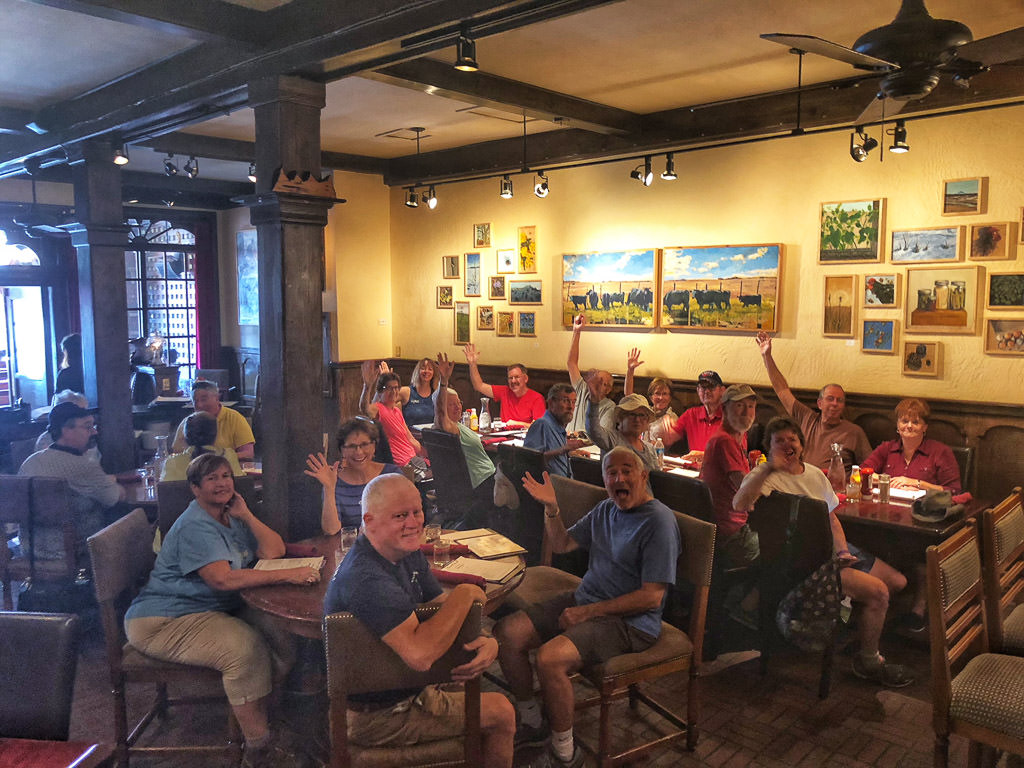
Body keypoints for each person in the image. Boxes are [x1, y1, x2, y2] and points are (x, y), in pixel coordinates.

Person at [124, 454, 321, 768]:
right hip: (164, 620)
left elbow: (274, 550)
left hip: (209, 610)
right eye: (212, 478)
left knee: (281, 634)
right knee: (245, 649)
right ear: (195, 488)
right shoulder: (195, 525)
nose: (222, 483)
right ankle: (260, 748)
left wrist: (247, 515)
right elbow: (222, 578)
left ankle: (264, 717)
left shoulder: (229, 515)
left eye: (226, 476)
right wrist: (287, 574)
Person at [493, 447, 680, 767]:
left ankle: (565, 754)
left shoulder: (659, 522)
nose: (619, 478)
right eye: (611, 472)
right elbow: (563, 543)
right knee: (507, 633)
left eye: (627, 470)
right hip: (588, 599)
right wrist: (551, 508)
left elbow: (652, 597)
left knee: (550, 659)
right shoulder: (607, 509)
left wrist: (588, 612)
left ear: (643, 476)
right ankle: (533, 721)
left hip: (630, 623)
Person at [322, 473, 514, 767]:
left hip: (407, 688)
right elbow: (420, 655)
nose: (413, 522)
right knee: (502, 711)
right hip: (377, 715)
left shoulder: (403, 550)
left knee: (473, 681)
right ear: (370, 522)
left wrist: (488, 639)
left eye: (417, 511)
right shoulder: (366, 578)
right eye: (400, 515)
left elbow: (440, 607)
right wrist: (464, 594)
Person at [733, 416, 913, 688]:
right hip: (800, 563)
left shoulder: (816, 475)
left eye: (792, 439)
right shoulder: (763, 477)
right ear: (769, 447)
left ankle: (842, 628)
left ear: (802, 445)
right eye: (778, 441)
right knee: (878, 592)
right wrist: (769, 468)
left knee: (898, 582)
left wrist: (842, 552)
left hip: (831, 553)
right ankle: (868, 660)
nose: (786, 445)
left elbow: (832, 520)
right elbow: (739, 503)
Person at [19, 401, 126, 560]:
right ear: (66, 430)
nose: (94, 432)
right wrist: (110, 483)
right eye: (87, 426)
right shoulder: (83, 466)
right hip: (74, 552)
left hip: (31, 551)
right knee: (130, 520)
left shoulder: (30, 461)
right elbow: (116, 497)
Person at [756, 331, 871, 471]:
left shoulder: (854, 432)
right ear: (819, 403)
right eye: (830, 399)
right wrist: (766, 356)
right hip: (801, 482)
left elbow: (869, 468)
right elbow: (782, 390)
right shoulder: (807, 417)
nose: (835, 403)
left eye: (839, 400)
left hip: (834, 488)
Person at [304, 417, 403, 533]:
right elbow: (331, 530)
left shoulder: (391, 475)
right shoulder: (334, 481)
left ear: (374, 446)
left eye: (364, 444)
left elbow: (406, 516)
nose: (359, 452)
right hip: (352, 547)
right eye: (351, 446)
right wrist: (329, 488)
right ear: (342, 450)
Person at [699, 384, 757, 567]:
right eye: (740, 406)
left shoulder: (732, 439)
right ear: (724, 408)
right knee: (783, 552)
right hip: (731, 534)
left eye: (751, 406)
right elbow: (747, 490)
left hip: (723, 528)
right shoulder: (724, 441)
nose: (747, 412)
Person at [433, 353, 497, 516]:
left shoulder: (458, 425)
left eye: (458, 403)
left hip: (486, 478)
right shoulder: (448, 428)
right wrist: (443, 381)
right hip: (483, 483)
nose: (458, 407)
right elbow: (440, 414)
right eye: (451, 404)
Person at [863, 398, 962, 493]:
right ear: (898, 425)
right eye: (905, 421)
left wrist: (917, 483)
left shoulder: (941, 451)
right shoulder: (886, 448)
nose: (909, 426)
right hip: (888, 504)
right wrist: (889, 481)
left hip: (923, 508)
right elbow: (861, 473)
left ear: (925, 427)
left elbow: (953, 490)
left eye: (915, 422)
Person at [359, 360, 423, 467]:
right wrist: (367, 386)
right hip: (402, 465)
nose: (394, 392)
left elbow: (410, 438)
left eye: (396, 388)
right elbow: (364, 408)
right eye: (389, 388)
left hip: (413, 459)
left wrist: (428, 454)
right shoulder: (378, 409)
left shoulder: (397, 411)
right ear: (380, 391)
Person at [462, 343, 545, 425]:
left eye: (517, 377)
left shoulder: (537, 398)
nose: (513, 381)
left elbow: (539, 427)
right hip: (503, 435)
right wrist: (472, 364)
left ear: (525, 378)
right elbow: (479, 386)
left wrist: (516, 423)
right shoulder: (504, 391)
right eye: (510, 378)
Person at [171, 380, 255, 460]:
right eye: (195, 401)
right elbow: (177, 453)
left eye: (204, 399)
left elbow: (248, 453)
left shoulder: (234, 418)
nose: (199, 405)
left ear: (217, 398)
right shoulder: (188, 422)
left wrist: (218, 460)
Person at [661, 370, 729, 461]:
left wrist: (704, 456)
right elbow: (669, 439)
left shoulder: (732, 417)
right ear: (698, 390)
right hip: (692, 471)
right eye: (703, 388)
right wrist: (666, 426)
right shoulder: (691, 414)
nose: (707, 391)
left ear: (722, 390)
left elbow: (737, 455)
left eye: (711, 387)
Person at [524, 383, 587, 477]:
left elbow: (551, 453)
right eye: (566, 401)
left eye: (573, 402)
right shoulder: (542, 424)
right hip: (548, 488)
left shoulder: (559, 426)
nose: (571, 407)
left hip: (562, 485)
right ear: (551, 403)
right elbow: (530, 460)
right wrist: (562, 450)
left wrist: (570, 453)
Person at [565, 313, 614, 435]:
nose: (595, 385)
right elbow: (571, 363)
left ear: (608, 390)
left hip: (589, 450)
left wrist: (577, 435)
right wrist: (576, 331)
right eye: (595, 380)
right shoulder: (583, 389)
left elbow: (601, 436)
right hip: (566, 445)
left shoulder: (609, 407)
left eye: (601, 383)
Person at [162, 411, 244, 481]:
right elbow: (240, 485)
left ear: (185, 436)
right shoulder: (229, 456)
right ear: (215, 435)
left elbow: (165, 492)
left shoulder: (172, 463)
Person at [588, 393, 660, 473]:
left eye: (642, 415)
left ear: (647, 420)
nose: (637, 419)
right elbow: (593, 430)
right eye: (632, 414)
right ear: (620, 418)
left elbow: (657, 478)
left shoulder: (650, 449)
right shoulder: (612, 440)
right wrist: (593, 401)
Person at [35, 390, 101, 464]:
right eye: (79, 413)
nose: (85, 415)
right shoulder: (45, 441)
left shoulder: (90, 435)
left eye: (85, 411)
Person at [400, 358, 439, 429]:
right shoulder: (406, 391)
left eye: (430, 369)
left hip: (430, 436)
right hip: (409, 436)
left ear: (434, 373)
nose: (426, 371)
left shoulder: (436, 394)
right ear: (417, 371)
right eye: (423, 368)